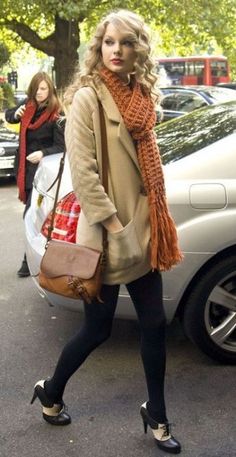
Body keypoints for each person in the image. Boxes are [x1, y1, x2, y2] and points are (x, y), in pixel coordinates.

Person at [30, 10, 183, 454]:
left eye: (127, 43)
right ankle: (51, 389)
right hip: (109, 234)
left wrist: (146, 224)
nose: (117, 51)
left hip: (144, 230)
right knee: (98, 330)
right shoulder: (87, 99)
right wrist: (118, 225)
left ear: (139, 50)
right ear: (99, 48)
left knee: (153, 324)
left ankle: (157, 415)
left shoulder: (140, 95)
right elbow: (84, 171)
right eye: (110, 43)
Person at [5, 72, 65, 277]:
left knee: (31, 215)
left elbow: (61, 145)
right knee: (35, 215)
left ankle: (28, 260)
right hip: (26, 170)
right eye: (36, 89)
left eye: (43, 89)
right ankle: (40, 259)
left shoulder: (56, 112)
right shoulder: (29, 106)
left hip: (44, 172)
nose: (39, 93)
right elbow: (9, 115)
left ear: (50, 90)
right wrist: (16, 114)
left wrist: (42, 153)